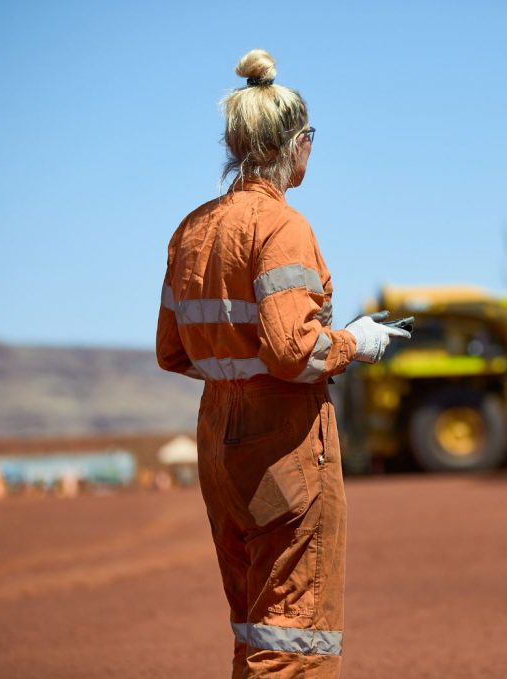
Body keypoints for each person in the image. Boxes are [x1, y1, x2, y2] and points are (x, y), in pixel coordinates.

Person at [156, 49, 409, 678]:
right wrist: (356, 342)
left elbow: (173, 350)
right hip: (285, 446)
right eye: (311, 141)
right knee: (296, 640)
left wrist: (236, 371)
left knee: (254, 627)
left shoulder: (191, 231)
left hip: (219, 441)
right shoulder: (282, 227)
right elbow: (294, 349)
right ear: (296, 143)